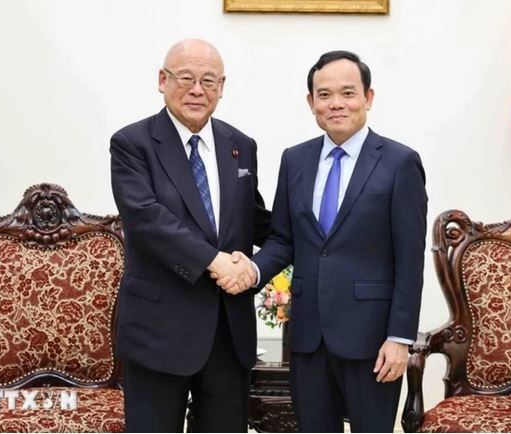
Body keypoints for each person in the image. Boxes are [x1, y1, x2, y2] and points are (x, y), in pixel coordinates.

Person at [219, 50, 427, 432]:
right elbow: (283, 239)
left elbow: (410, 259)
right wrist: (250, 270)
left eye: (348, 93)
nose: (336, 104)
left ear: (369, 97)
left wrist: (400, 339)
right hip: (308, 338)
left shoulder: (400, 162)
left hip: (373, 340)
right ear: (311, 102)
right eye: (324, 94)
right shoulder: (295, 160)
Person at [110, 39, 270, 432]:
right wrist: (215, 261)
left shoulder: (240, 146)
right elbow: (147, 219)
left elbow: (258, 221)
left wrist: (257, 267)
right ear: (162, 80)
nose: (197, 90)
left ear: (222, 86)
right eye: (186, 78)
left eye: (208, 80)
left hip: (228, 334)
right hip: (158, 332)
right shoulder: (133, 144)